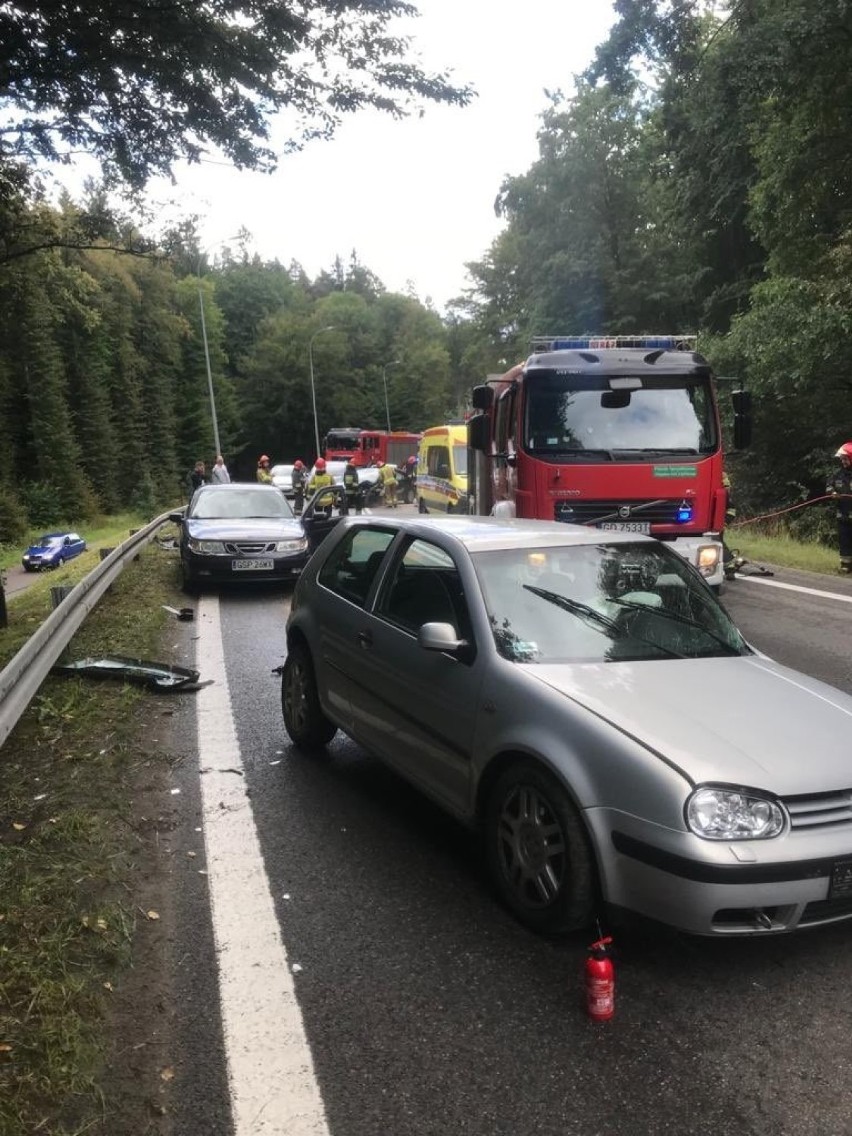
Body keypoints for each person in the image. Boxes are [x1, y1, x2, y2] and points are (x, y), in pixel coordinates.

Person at [828, 443, 852, 573]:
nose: (843, 461)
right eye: (842, 459)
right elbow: (829, 486)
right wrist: (832, 492)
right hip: (842, 515)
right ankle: (845, 566)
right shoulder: (838, 475)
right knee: (844, 541)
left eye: (845, 459)